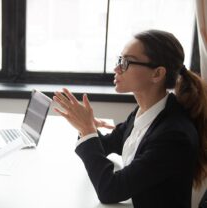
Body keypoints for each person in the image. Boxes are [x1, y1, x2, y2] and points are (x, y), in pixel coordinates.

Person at [53, 30, 207, 207]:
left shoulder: (174, 135)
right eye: (120, 60)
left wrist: (88, 131)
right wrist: (85, 127)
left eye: (126, 62)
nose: (117, 68)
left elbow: (110, 190)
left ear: (157, 74)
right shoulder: (143, 111)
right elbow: (106, 145)